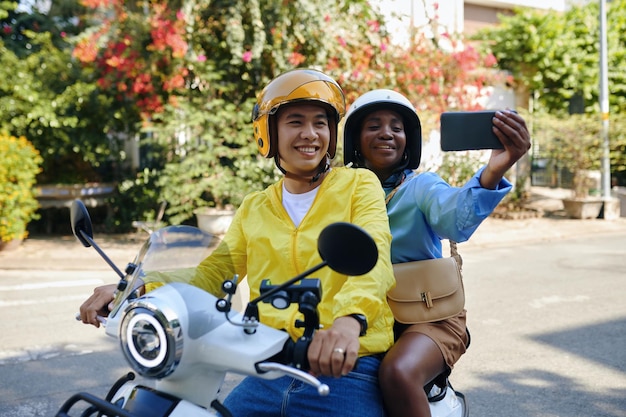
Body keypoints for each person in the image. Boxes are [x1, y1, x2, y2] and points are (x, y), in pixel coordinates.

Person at [79, 69, 396, 417]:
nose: (310, 134)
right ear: (269, 134)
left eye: (320, 123)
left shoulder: (358, 185)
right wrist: (138, 286)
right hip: (270, 367)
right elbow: (214, 274)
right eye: (295, 122)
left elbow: (375, 252)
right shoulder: (255, 207)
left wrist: (349, 322)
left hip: (347, 363)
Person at [342, 89, 531, 417]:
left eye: (396, 127)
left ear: (408, 140)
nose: (386, 132)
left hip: (429, 316)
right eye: (373, 125)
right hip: (363, 315)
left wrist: (494, 170)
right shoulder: (339, 189)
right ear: (355, 138)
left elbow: (456, 218)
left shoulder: (421, 186)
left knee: (398, 373)